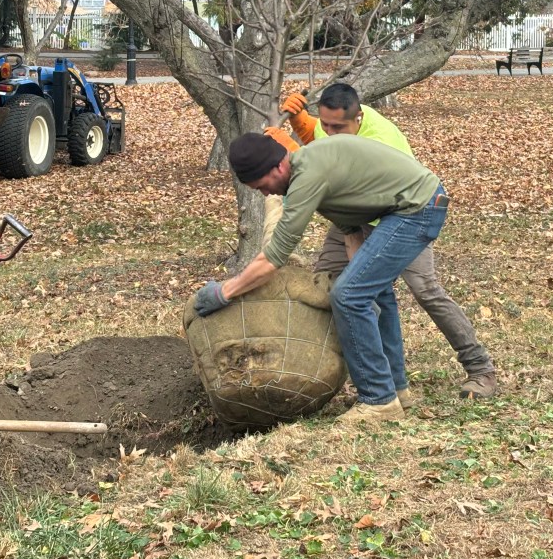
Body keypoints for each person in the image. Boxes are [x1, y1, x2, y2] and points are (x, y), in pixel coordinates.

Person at [193, 132, 450, 424]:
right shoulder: (312, 166)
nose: (267, 195)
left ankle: (379, 400)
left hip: (418, 209)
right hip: (411, 206)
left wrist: (225, 292)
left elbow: (275, 255)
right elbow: (351, 230)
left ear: (278, 167)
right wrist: (361, 276)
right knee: (372, 293)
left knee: (348, 295)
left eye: (263, 186)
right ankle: (396, 390)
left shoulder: (309, 176)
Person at [275, 84, 498, 400]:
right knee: (324, 282)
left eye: (337, 126)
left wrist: (288, 155)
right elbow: (319, 139)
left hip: (402, 216)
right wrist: (301, 122)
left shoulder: (381, 137)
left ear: (359, 117)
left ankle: (480, 369)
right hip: (352, 216)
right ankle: (326, 376)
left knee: (424, 289)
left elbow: (338, 170)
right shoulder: (334, 126)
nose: (330, 131)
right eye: (326, 124)